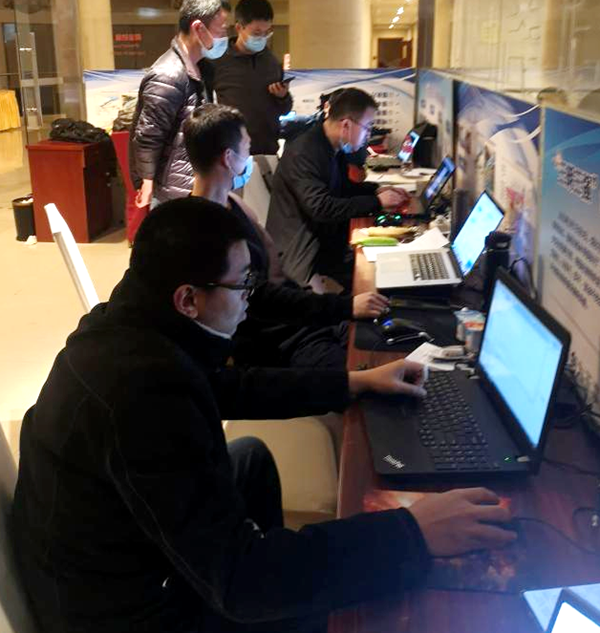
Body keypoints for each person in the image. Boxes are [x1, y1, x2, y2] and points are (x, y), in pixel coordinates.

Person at [12, 197, 517, 633]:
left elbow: (227, 387)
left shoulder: (131, 324)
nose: (249, 301)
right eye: (241, 286)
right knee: (318, 598)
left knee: (250, 460)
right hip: (116, 611)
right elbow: (241, 583)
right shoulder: (144, 394)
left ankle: (271, 572)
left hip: (105, 544)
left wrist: (353, 382)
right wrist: (411, 532)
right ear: (187, 299)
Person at [185, 103, 388, 369]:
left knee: (379, 333)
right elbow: (263, 299)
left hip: (296, 315)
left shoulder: (233, 205)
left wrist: (335, 308)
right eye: (247, 147)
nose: (250, 155)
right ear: (228, 158)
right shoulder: (206, 231)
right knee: (368, 366)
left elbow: (278, 275)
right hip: (276, 338)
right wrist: (342, 307)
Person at [267, 87, 409, 289]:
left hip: (325, 238)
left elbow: (342, 188)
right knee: (373, 278)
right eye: (367, 127)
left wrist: (376, 190)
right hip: (301, 249)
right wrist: (376, 203)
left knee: (385, 268)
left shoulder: (332, 145)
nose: (368, 135)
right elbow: (321, 208)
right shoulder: (305, 151)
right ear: (346, 125)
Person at [129, 0, 230, 208]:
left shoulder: (202, 67)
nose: (225, 36)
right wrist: (146, 182)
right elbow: (148, 133)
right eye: (222, 30)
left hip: (194, 182)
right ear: (199, 28)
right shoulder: (168, 74)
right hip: (173, 191)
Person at [202, 0, 292, 155]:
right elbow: (202, 108)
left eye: (267, 32)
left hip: (268, 150)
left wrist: (283, 97)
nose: (262, 38)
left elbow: (284, 109)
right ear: (239, 28)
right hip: (230, 152)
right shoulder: (218, 60)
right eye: (257, 33)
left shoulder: (271, 62)